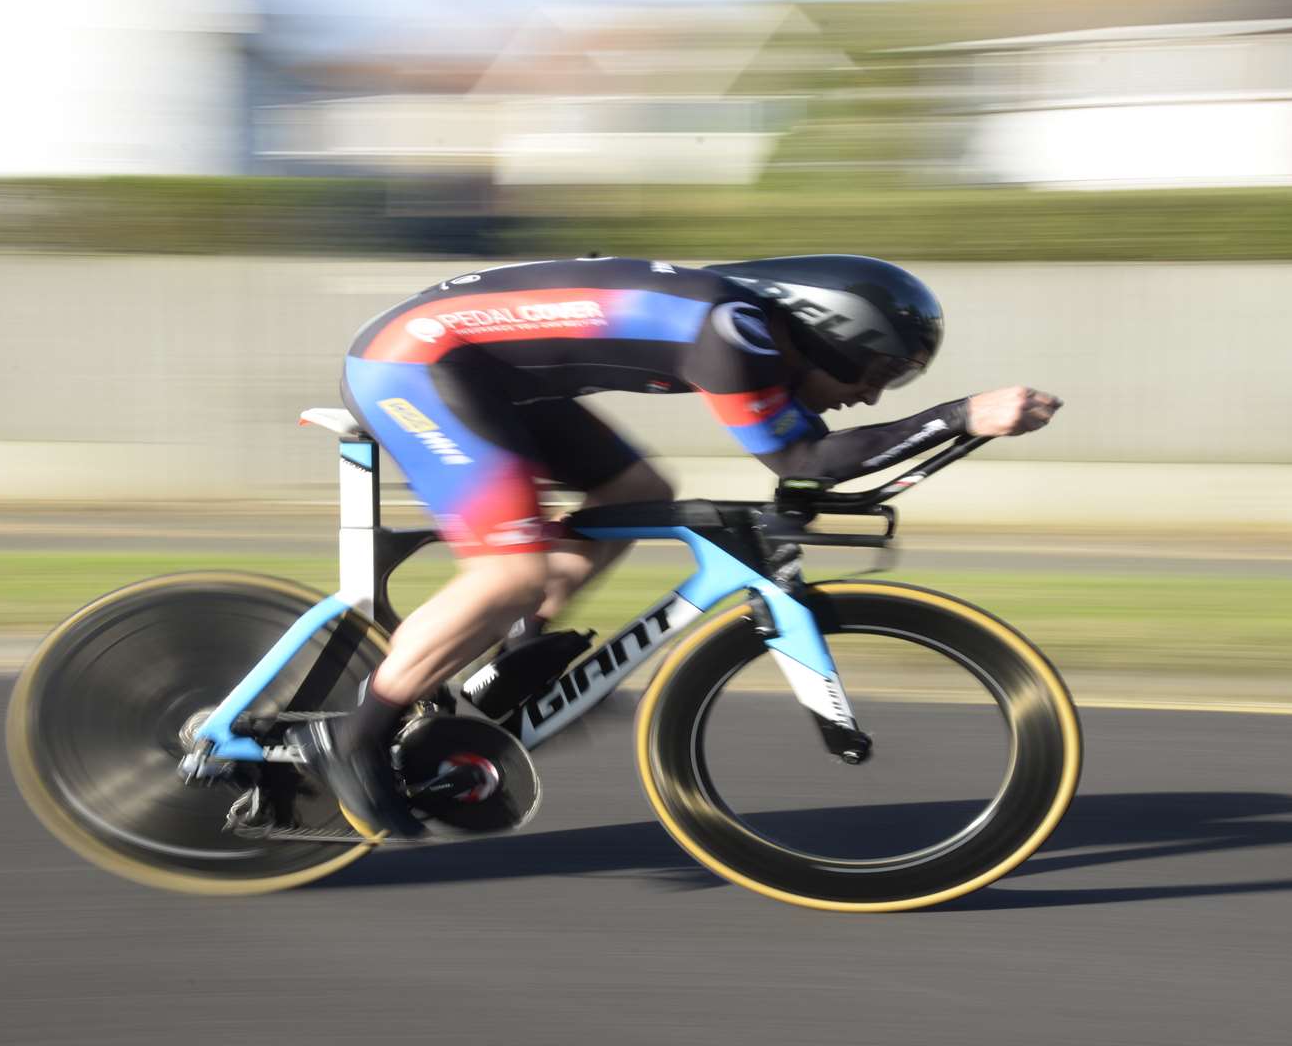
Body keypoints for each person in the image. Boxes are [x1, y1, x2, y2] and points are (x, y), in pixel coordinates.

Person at [289, 254, 1062, 835]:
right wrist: (960, 414)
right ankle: (356, 740)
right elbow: (806, 462)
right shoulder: (733, 336)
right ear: (831, 336)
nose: (870, 395)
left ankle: (509, 662)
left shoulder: (742, 325)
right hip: (415, 364)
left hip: (483, 373)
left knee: (638, 498)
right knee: (509, 571)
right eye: (880, 372)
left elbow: (815, 456)